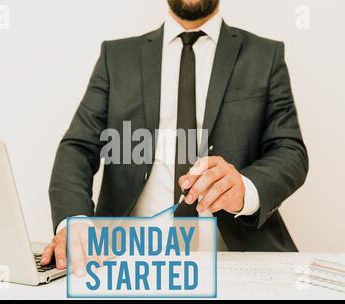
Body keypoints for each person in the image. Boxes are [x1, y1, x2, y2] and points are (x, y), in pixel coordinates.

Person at [41, 0, 308, 270]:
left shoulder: (265, 55)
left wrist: (245, 188)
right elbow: (77, 147)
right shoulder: (116, 57)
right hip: (126, 261)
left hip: (237, 259)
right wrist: (74, 222)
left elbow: (289, 150)